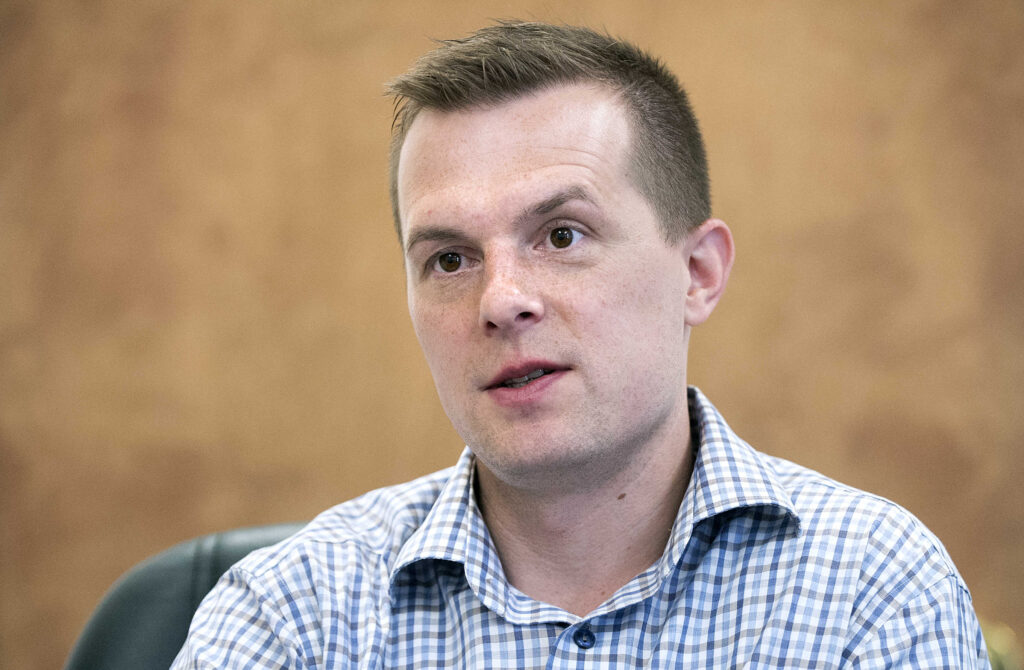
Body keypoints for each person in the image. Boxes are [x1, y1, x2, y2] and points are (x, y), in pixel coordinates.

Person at [172, 21, 989, 668]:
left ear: (697, 273)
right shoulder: (293, 614)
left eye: (562, 235)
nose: (501, 301)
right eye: (450, 259)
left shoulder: (870, 586)